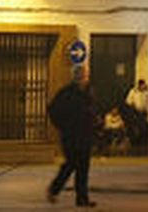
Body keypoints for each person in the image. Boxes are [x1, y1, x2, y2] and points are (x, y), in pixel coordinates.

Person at [46, 65, 99, 207]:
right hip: (70, 136)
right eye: (81, 76)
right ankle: (54, 189)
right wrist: (63, 126)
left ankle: (82, 198)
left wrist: (94, 123)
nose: (83, 78)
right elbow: (53, 110)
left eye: (85, 75)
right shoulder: (66, 93)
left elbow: (92, 111)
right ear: (75, 77)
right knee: (71, 164)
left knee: (83, 168)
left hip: (85, 136)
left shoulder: (89, 92)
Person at [124, 79, 148, 152]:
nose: (143, 87)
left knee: (143, 129)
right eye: (142, 85)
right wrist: (133, 108)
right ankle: (134, 143)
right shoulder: (133, 92)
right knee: (135, 128)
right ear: (139, 85)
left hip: (143, 112)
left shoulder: (146, 93)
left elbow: (147, 102)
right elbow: (128, 102)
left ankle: (142, 143)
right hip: (135, 112)